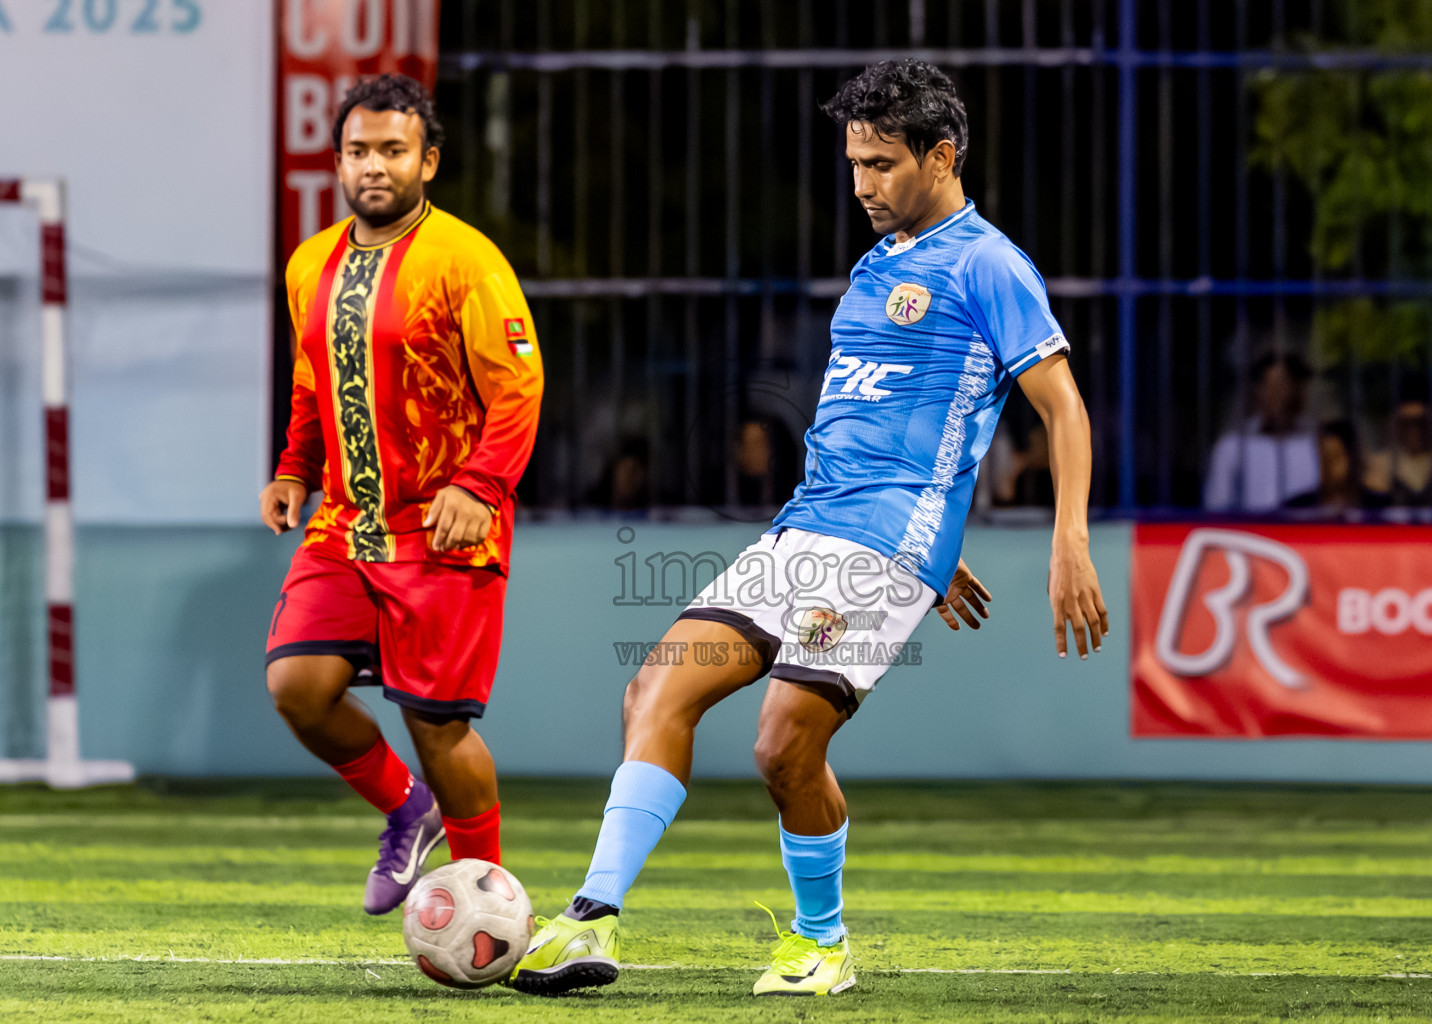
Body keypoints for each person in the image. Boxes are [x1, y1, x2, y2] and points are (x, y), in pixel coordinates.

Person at [511, 59, 1107, 998]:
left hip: (882, 545)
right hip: (805, 529)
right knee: (653, 692)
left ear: (941, 156)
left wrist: (1061, 539)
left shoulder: (989, 263)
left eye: (880, 164)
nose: (862, 185)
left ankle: (821, 943)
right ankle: (592, 922)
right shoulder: (879, 265)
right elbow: (885, 413)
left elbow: (1062, 410)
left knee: (782, 743)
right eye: (854, 164)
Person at [259, 74, 543, 915]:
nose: (373, 166)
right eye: (358, 151)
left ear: (429, 160)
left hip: (446, 527)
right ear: (339, 162)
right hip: (346, 525)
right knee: (297, 688)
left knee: (437, 724)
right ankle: (406, 809)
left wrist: (481, 484)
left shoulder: (467, 259)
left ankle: (488, 900)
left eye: (392, 150)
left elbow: (518, 388)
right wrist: (293, 470)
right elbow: (314, 385)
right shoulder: (310, 262)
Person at [1203, 352, 1318, 512]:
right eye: (1271, 387)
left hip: (1305, 535)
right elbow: (1216, 508)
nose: (1280, 397)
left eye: (1285, 386)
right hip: (1248, 536)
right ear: (1258, 390)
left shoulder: (1318, 445)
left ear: (1299, 391)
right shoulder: (1232, 447)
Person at [1281, 419, 1389, 515]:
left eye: (1332, 458)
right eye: (1321, 459)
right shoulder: (1296, 510)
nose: (1326, 467)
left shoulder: (1380, 508)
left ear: (1352, 458)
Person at [1363, 399, 1432, 507]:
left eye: (1419, 422)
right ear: (1396, 424)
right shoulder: (1380, 463)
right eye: (1406, 423)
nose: (1414, 430)